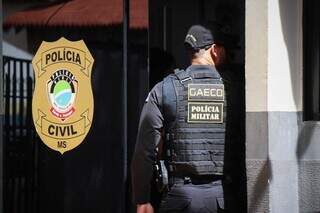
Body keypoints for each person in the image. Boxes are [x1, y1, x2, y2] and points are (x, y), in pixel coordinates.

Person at [131, 24, 228, 213]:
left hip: (180, 197)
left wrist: (142, 199)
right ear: (215, 50)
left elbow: (145, 150)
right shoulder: (234, 90)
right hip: (222, 198)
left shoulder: (165, 89)